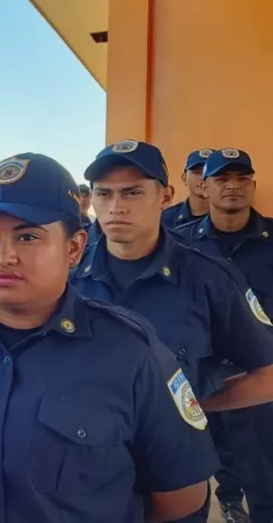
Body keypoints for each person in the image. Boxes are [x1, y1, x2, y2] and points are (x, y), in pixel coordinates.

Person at [0, 152, 219, 522]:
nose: (3, 256)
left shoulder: (131, 352)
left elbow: (179, 496)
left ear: (74, 247)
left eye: (27, 236)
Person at [72, 140, 273, 523]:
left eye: (132, 192)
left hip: (174, 475)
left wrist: (191, 404)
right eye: (104, 194)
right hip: (84, 472)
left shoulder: (209, 278)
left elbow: (267, 374)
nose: (116, 207)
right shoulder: (65, 276)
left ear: (165, 195)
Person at [176, 148, 273, 523]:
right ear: (205, 186)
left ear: (252, 185)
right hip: (202, 378)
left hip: (260, 380)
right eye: (221, 179)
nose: (232, 186)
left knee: (266, 477)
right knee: (196, 476)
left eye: (241, 178)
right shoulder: (180, 244)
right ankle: (229, 505)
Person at [161, 149, 212, 229]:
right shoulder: (165, 218)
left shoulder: (230, 219)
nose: (202, 178)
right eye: (197, 172)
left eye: (209, 172)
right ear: (184, 178)